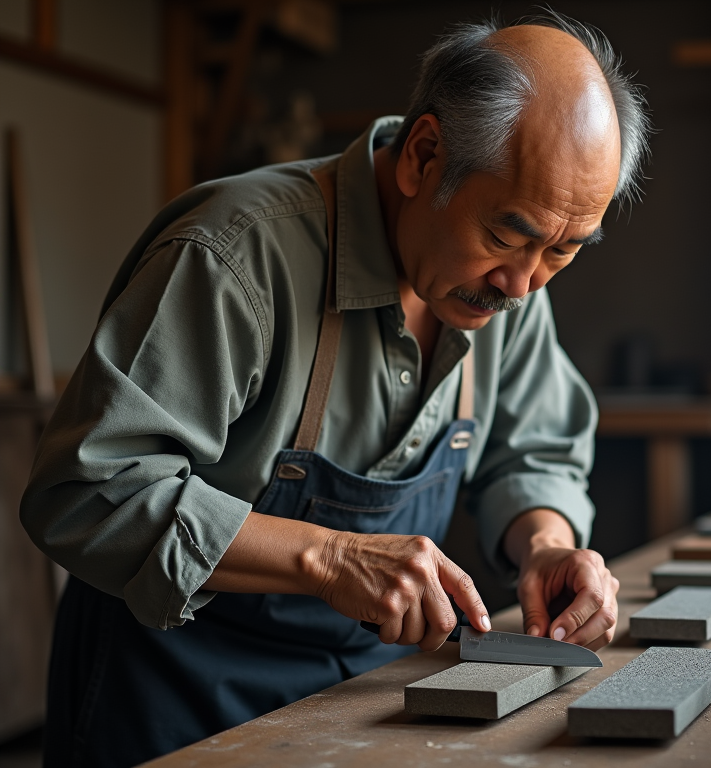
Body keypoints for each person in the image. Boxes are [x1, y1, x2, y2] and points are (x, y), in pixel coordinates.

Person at [20, 10, 651, 767]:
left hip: (357, 698)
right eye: (506, 236)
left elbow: (532, 450)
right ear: (424, 156)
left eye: (563, 250)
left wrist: (546, 545)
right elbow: (88, 492)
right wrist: (330, 558)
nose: (522, 285)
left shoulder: (509, 283)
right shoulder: (236, 257)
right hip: (172, 693)